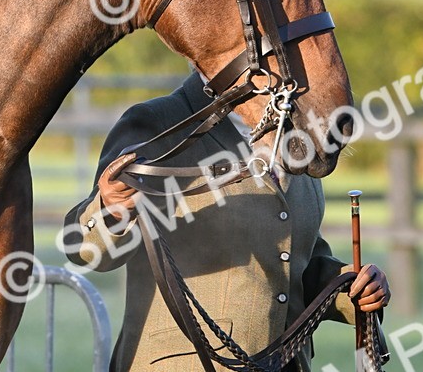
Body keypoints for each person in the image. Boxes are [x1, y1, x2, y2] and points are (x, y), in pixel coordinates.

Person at [64, 73, 390, 371]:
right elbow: (85, 251)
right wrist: (111, 209)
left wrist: (352, 288)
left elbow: (297, 258)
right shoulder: (155, 123)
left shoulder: (294, 133)